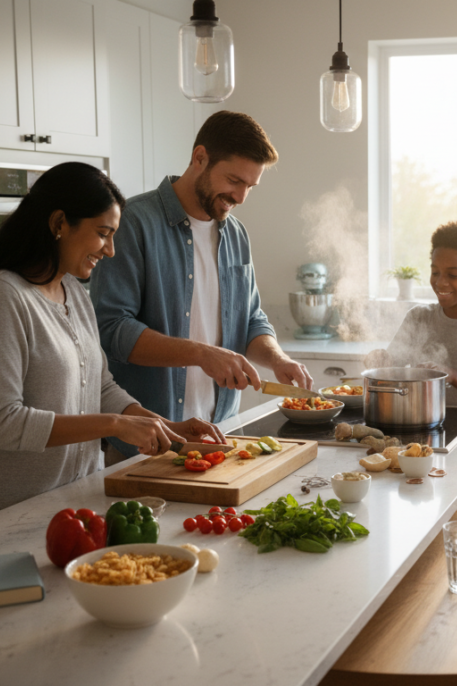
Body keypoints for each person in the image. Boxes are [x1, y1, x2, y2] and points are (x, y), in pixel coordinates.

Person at [0, 162, 224, 527]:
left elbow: (101, 387)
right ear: (59, 223)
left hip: (74, 500)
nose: (110, 250)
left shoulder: (72, 290)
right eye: (103, 233)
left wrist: (168, 426)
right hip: (1, 509)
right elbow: (0, 422)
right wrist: (115, 425)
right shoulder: (0, 297)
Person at [91, 111, 311, 464]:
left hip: (221, 437)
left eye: (250, 187)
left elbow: (251, 319)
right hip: (148, 444)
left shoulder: (236, 234)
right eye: (234, 180)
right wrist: (202, 353)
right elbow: (111, 330)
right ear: (200, 158)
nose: (240, 196)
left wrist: (277, 359)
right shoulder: (134, 222)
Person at [364, 220, 457, 407]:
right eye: (435, 272)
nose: (441, 282)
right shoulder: (418, 316)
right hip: (418, 417)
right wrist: (381, 362)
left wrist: (450, 375)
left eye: (453, 275)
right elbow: (392, 369)